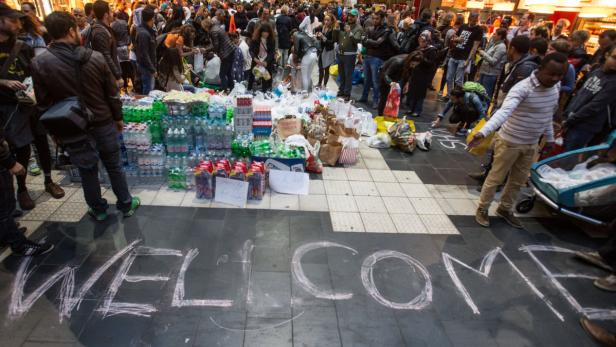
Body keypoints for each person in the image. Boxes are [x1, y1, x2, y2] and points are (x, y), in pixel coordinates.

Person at [31, 10, 140, 221]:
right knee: (114, 165)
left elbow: (43, 104)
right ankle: (126, 204)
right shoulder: (96, 58)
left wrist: (55, 132)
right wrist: (118, 118)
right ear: (72, 30)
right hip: (103, 121)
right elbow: (112, 94)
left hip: (71, 127)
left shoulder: (40, 63)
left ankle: (98, 210)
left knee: (87, 170)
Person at [468, 53, 568, 229]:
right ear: (541, 69)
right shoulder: (522, 88)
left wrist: (550, 138)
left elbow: (547, 115)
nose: (555, 78)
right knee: (495, 178)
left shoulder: (555, 87)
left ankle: (505, 209)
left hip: (531, 144)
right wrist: (483, 132)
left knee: (517, 180)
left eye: (560, 75)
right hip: (509, 142)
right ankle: (483, 208)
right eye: (551, 74)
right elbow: (503, 112)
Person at [1, 3, 65, 211]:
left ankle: (49, 180)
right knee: (21, 148)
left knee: (42, 142)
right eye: (13, 20)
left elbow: (34, 71)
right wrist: (3, 82)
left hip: (31, 104)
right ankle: (22, 189)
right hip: (8, 108)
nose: (18, 24)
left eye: (19, 19)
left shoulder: (23, 45)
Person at [563, 45, 616, 151]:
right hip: (572, 119)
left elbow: (595, 106)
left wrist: (571, 120)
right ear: (607, 55)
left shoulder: (614, 82)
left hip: (585, 126)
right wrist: (567, 114)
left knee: (568, 158)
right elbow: (581, 94)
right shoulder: (597, 70)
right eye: (615, 58)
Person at [359, 10, 399, 109]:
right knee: (366, 80)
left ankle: (376, 101)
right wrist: (369, 41)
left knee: (375, 81)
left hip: (377, 58)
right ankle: (364, 97)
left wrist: (368, 41)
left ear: (382, 19)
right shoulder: (370, 28)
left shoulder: (386, 30)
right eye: (373, 18)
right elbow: (364, 41)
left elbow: (378, 43)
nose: (374, 20)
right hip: (368, 56)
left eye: (377, 18)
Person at [446, 12, 481, 99]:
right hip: (455, 54)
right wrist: (458, 39)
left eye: (475, 20)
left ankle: (457, 97)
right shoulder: (463, 26)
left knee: (459, 80)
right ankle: (450, 95)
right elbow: (455, 39)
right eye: (471, 19)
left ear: (477, 20)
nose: (473, 22)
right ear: (469, 18)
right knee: (449, 77)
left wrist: (468, 60)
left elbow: (475, 47)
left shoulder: (478, 30)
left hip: (464, 57)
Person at [88, 1, 123, 89]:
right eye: (111, 11)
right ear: (106, 15)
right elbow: (106, 56)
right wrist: (117, 76)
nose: (113, 14)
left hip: (109, 74)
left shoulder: (104, 28)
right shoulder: (100, 31)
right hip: (108, 76)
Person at [376, 51, 422, 116]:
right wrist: (391, 83)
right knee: (384, 97)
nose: (413, 66)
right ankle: (380, 115)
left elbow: (410, 72)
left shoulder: (410, 62)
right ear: (409, 61)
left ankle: (389, 115)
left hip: (395, 77)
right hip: (385, 75)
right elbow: (386, 75)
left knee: (394, 97)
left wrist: (407, 83)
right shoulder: (398, 62)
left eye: (415, 65)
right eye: (412, 64)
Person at [405, 31, 436, 117]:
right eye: (420, 41)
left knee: (420, 94)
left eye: (423, 41)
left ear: (427, 41)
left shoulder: (432, 50)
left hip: (424, 74)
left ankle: (417, 110)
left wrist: (422, 59)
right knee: (412, 92)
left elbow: (431, 63)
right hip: (415, 73)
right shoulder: (418, 48)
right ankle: (411, 108)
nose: (421, 43)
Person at [202, 17, 236, 92]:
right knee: (228, 72)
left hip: (225, 53)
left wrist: (206, 50)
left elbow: (216, 45)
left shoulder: (212, 31)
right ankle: (231, 87)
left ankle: (224, 90)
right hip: (231, 50)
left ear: (206, 26)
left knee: (222, 74)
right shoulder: (216, 27)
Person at [335, 8, 362, 101]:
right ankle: (341, 90)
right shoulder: (345, 25)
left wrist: (350, 32)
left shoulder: (358, 28)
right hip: (340, 54)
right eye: (349, 15)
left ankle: (347, 93)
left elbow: (357, 40)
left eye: (352, 16)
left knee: (348, 75)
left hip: (349, 55)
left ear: (356, 17)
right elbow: (337, 38)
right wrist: (337, 28)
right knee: (341, 74)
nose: (350, 17)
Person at [477, 27, 507, 100]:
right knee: (480, 92)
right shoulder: (495, 44)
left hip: (490, 74)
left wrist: (483, 53)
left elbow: (493, 61)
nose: (493, 35)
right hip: (485, 72)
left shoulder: (501, 47)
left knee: (486, 94)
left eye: (495, 34)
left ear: (500, 36)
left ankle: (484, 110)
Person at [438, 13, 462, 100]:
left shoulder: (446, 30)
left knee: (448, 76)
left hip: (449, 55)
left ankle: (446, 93)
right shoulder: (453, 32)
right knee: (454, 77)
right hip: (455, 56)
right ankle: (454, 96)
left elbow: (446, 44)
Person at [134, 6, 156, 95]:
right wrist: (152, 69)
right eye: (154, 18)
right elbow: (144, 54)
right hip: (146, 68)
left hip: (147, 67)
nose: (154, 20)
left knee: (149, 89)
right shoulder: (143, 33)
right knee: (148, 92)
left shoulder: (146, 30)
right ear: (151, 19)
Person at [248, 22, 276, 92]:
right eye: (264, 33)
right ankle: (249, 89)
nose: (265, 34)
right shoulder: (255, 39)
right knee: (252, 74)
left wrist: (266, 61)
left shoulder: (272, 40)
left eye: (267, 33)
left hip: (267, 60)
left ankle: (266, 91)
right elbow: (251, 50)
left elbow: (272, 52)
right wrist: (255, 59)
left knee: (266, 76)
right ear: (261, 32)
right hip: (257, 59)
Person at [111, 10, 132, 93]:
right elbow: (129, 33)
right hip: (126, 47)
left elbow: (113, 38)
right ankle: (132, 83)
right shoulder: (125, 23)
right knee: (129, 67)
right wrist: (128, 42)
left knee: (122, 67)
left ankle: (125, 86)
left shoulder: (112, 25)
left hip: (118, 48)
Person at [315, 13, 336, 89]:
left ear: (331, 21)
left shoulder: (333, 30)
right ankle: (319, 84)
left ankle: (324, 85)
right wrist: (318, 36)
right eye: (325, 20)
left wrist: (323, 37)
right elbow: (320, 39)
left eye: (328, 20)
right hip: (321, 50)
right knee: (320, 68)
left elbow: (331, 43)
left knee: (326, 69)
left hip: (328, 51)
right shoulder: (323, 27)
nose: (326, 22)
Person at [276, 5, 293, 77]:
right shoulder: (289, 19)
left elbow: (276, 27)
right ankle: (285, 65)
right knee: (286, 53)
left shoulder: (278, 18)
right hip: (286, 37)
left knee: (280, 52)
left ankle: (280, 66)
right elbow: (290, 29)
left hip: (280, 37)